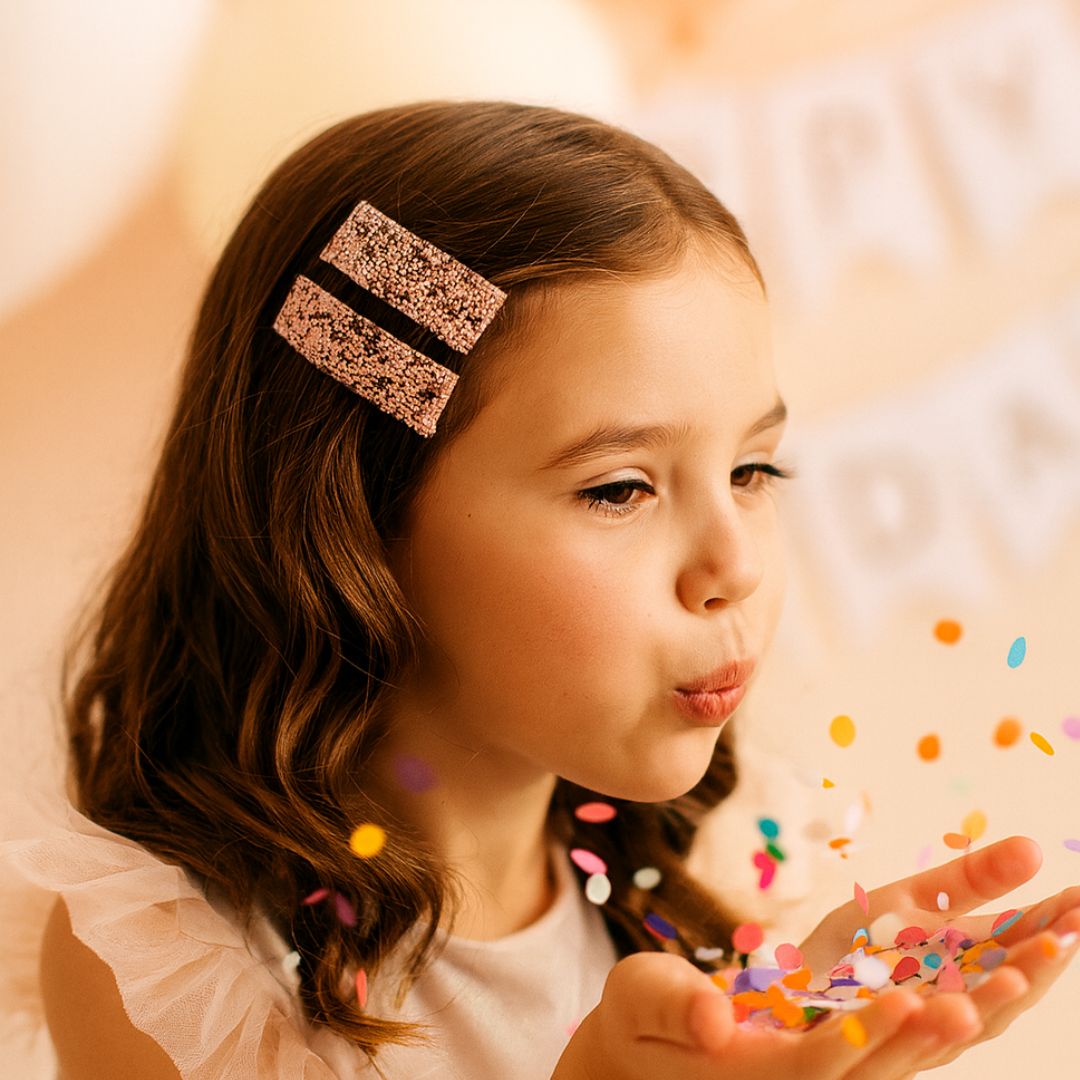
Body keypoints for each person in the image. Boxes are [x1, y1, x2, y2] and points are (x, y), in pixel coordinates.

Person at [5, 100, 1079, 1080]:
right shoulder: (170, 967)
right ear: (353, 520)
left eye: (753, 471)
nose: (737, 566)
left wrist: (773, 1018)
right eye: (620, 488)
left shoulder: (697, 888)